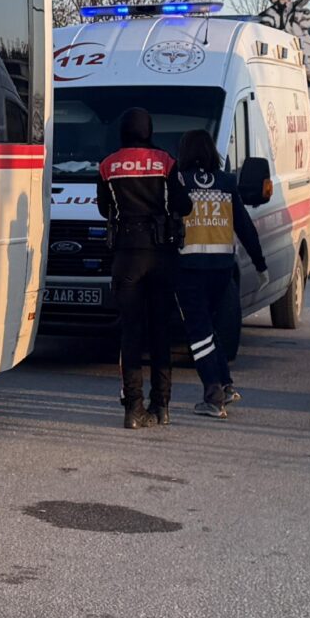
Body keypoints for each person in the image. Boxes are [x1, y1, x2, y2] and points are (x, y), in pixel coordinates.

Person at [96, 107, 189, 429]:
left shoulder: (108, 165)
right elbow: (183, 205)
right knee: (160, 331)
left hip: (126, 254)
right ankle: (161, 405)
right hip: (162, 253)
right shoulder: (165, 161)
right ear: (149, 129)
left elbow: (103, 208)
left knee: (131, 332)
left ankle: (133, 408)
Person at [172, 128, 266, 418]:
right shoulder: (226, 182)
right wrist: (260, 264)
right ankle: (225, 385)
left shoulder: (178, 181)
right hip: (222, 269)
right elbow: (245, 226)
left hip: (189, 268)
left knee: (198, 333)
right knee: (209, 329)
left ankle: (213, 396)